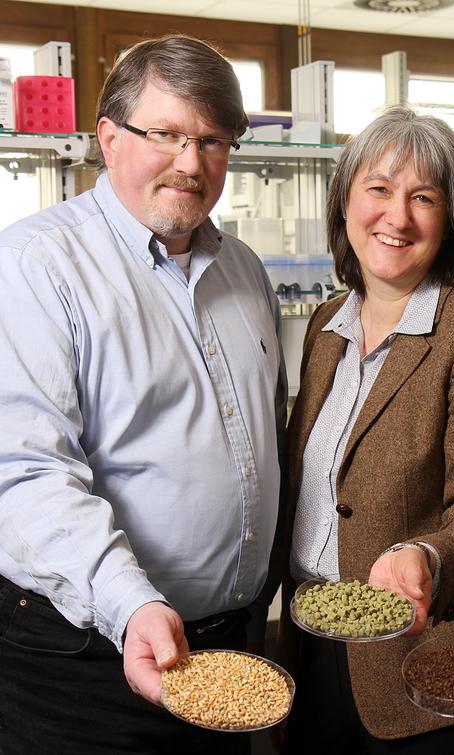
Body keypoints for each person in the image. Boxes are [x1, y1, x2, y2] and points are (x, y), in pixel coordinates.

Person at [0, 35, 287, 754]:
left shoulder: (244, 270)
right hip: (85, 660)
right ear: (108, 138)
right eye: (167, 134)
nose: (192, 163)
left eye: (214, 140)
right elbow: (26, 473)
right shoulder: (36, 265)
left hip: (224, 652)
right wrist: (132, 605)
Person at [278, 105, 454, 753]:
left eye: (422, 197)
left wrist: (423, 557)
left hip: (434, 679)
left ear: (449, 220)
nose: (396, 216)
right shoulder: (324, 328)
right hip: (318, 652)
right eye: (378, 189)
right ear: (344, 201)